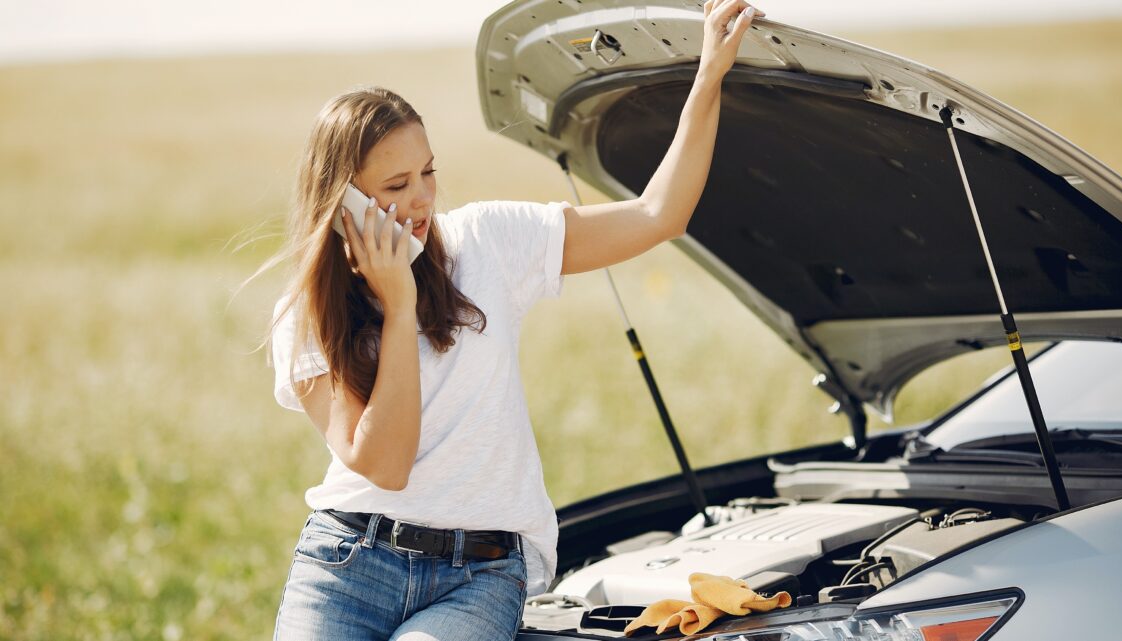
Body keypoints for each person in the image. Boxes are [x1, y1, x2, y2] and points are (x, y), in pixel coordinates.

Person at [269, 1, 762, 639]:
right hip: (348, 563)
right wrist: (398, 307)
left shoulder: (486, 242)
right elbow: (385, 465)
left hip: (480, 574)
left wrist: (707, 78)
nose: (421, 199)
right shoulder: (305, 314)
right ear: (346, 203)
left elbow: (656, 215)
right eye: (395, 186)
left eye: (428, 172)